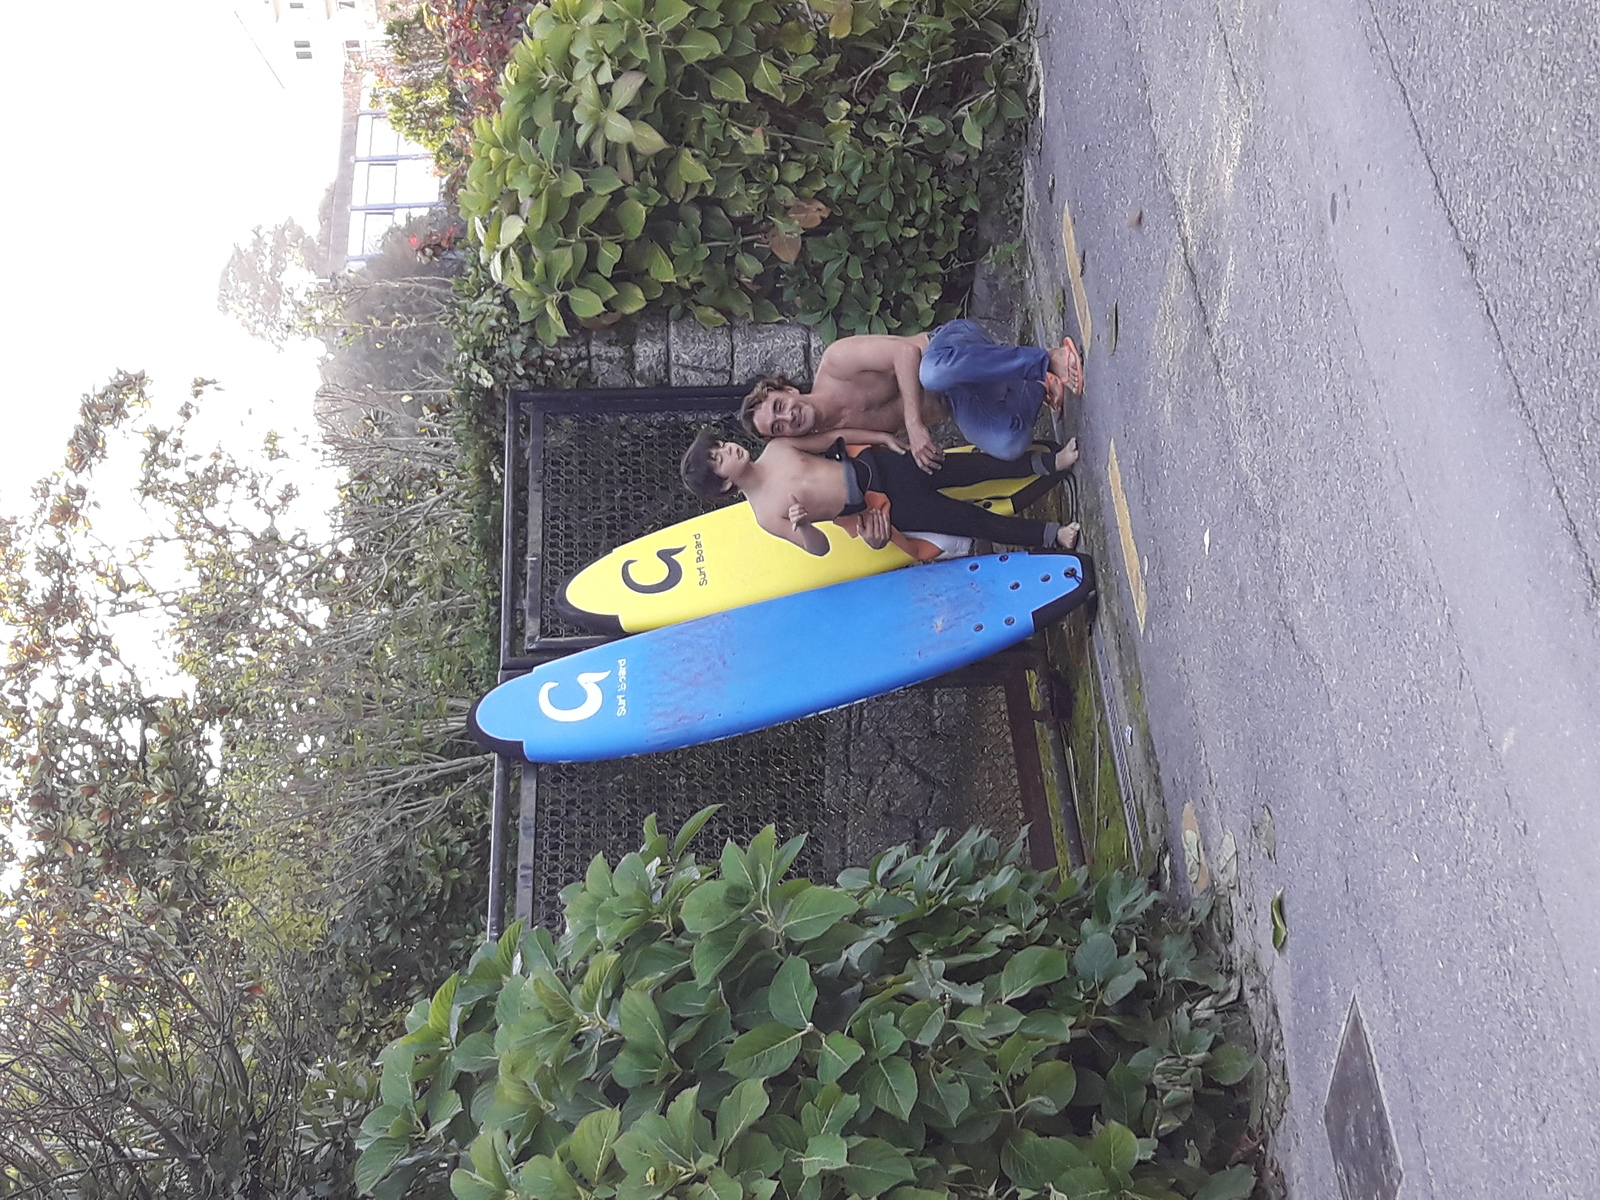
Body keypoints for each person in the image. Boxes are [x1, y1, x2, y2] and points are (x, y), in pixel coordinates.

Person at [740, 323, 1083, 470]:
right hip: (959, 401)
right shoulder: (834, 438)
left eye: (780, 407)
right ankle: (1039, 384)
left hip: (950, 347)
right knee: (1008, 444)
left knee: (931, 374)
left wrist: (913, 423)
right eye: (779, 427)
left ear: (788, 389)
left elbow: (905, 353)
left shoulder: (835, 363)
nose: (788, 417)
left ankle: (1047, 358)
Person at [680, 431, 1082, 557]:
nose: (728, 450)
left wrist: (881, 437)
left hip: (880, 467)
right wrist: (802, 527)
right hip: (882, 507)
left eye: (721, 445)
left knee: (969, 468)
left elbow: (836, 436)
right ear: (725, 484)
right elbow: (819, 549)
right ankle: (1052, 535)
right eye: (719, 459)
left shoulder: (778, 448)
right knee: (968, 521)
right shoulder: (766, 514)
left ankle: (1051, 462)